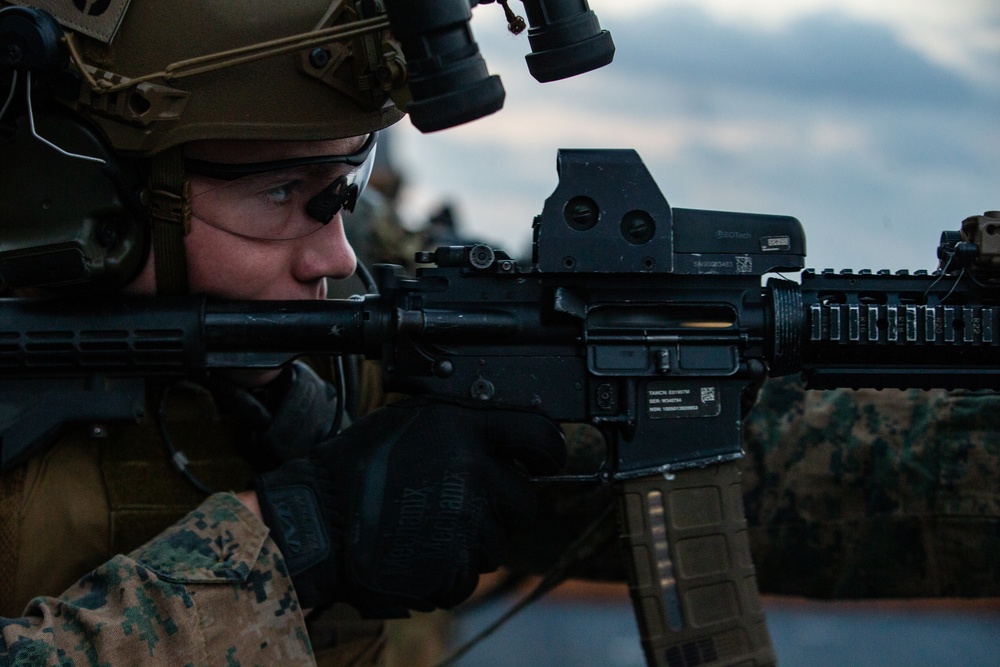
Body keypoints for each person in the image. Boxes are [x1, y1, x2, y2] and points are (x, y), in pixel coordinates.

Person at [0, 2, 565, 665]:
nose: (337, 258)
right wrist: (294, 537)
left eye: (341, 190)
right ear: (80, 194)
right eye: (281, 193)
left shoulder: (336, 357)